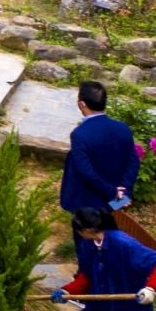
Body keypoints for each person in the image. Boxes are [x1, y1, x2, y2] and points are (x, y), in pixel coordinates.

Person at [60, 80, 140, 227]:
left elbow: (85, 170)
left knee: (86, 237)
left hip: (87, 199)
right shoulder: (122, 128)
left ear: (81, 104)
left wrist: (111, 191)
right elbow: (134, 162)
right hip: (116, 198)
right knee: (107, 228)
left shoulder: (80, 134)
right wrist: (123, 192)